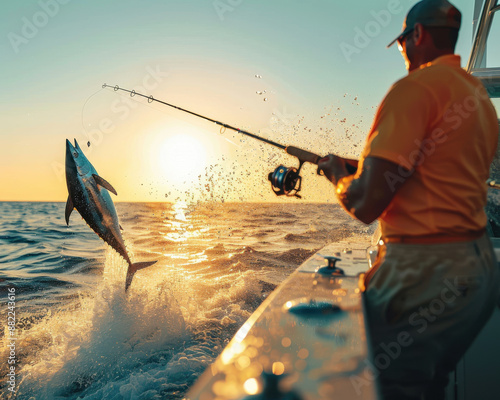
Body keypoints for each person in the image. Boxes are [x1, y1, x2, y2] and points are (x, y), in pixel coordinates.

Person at [317, 0, 500, 399]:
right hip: (478, 269)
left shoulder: (414, 89)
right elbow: (435, 168)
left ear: (417, 35)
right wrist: (361, 165)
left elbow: (366, 204)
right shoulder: (478, 98)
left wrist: (337, 177)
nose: (402, 51)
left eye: (401, 41)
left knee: (392, 385)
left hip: (425, 275)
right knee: (428, 382)